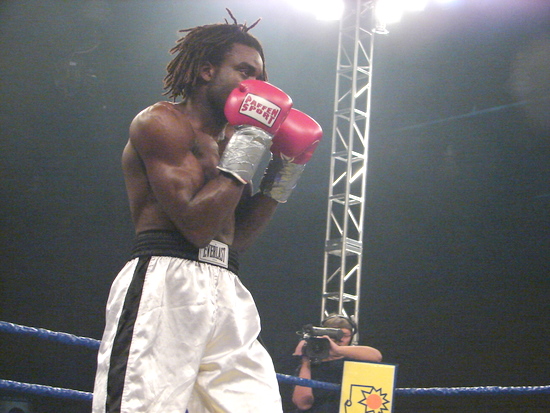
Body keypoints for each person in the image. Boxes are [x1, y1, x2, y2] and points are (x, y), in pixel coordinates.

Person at [92, 10, 322, 413]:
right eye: (245, 72)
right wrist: (252, 139)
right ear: (205, 71)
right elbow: (196, 226)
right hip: (166, 282)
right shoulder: (161, 122)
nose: (256, 86)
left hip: (226, 285)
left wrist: (285, 172)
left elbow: (236, 239)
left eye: (261, 78)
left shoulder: (232, 142)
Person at [291, 315, 382, 413]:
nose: (339, 339)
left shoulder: (354, 361)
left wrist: (338, 350)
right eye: (333, 335)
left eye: (345, 335)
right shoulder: (310, 365)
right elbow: (303, 404)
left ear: (351, 337)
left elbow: (377, 356)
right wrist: (305, 361)